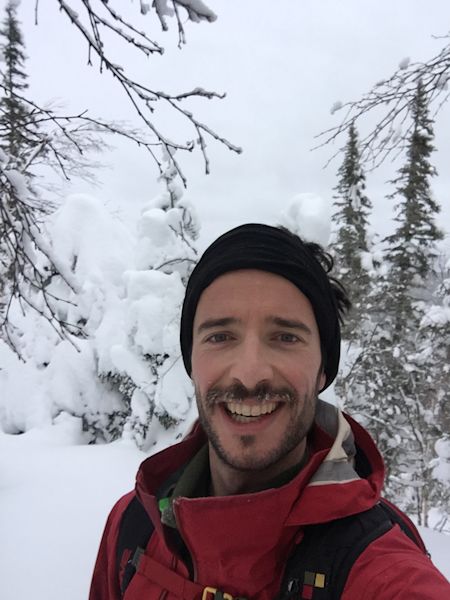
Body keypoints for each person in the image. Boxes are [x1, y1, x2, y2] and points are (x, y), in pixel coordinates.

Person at [89, 224, 449, 600]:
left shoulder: (381, 572)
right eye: (220, 336)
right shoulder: (133, 526)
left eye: (286, 337)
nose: (249, 374)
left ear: (322, 369)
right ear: (192, 361)